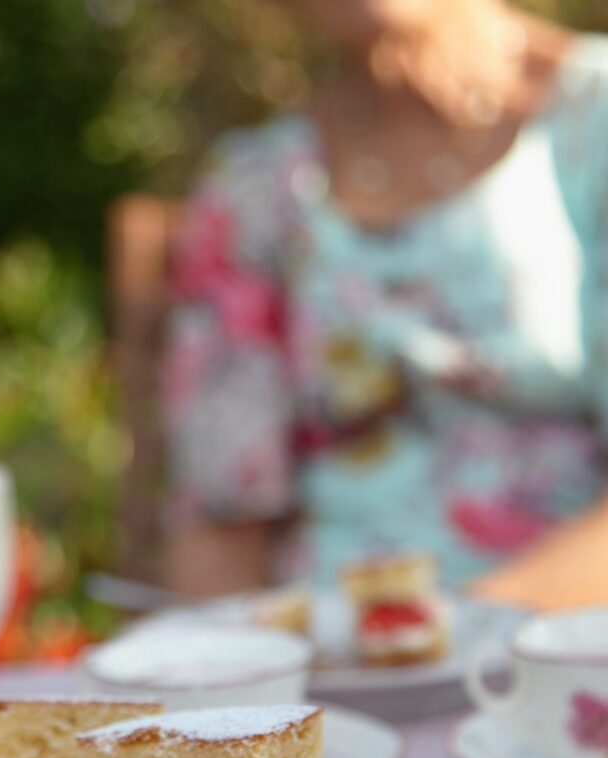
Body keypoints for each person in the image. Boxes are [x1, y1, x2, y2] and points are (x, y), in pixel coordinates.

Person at [162, 0, 608, 597]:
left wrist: (455, 646)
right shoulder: (253, 187)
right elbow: (220, 528)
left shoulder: (594, 117)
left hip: (565, 650)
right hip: (323, 663)